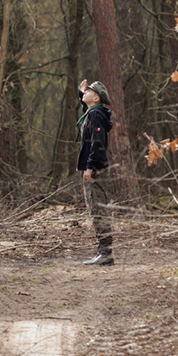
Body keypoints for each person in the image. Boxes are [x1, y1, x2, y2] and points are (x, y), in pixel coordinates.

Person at [77, 79, 115, 266]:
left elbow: (98, 142)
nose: (85, 92)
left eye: (89, 91)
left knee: (98, 209)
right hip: (94, 168)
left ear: (97, 98)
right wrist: (81, 92)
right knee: (95, 208)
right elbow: (86, 108)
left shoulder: (96, 115)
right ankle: (103, 250)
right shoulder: (93, 112)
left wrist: (90, 167)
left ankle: (106, 251)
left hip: (96, 170)